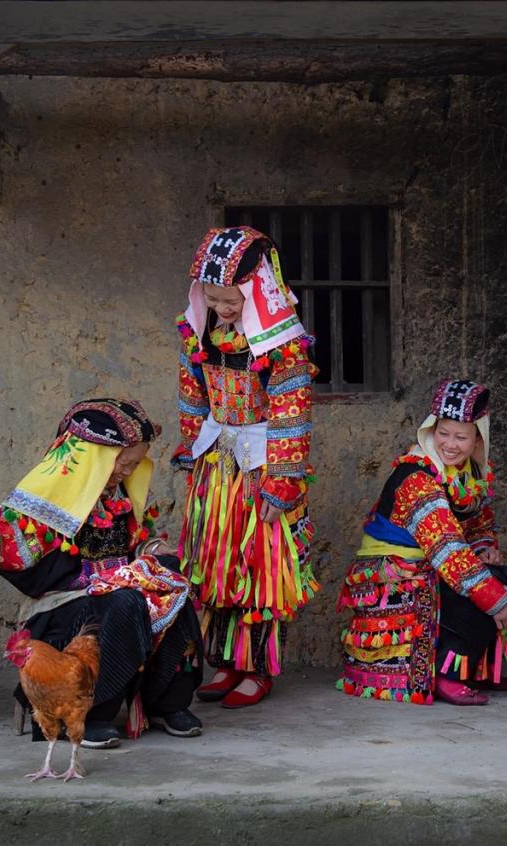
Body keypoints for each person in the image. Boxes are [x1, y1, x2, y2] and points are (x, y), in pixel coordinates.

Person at [0, 398, 203, 747]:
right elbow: (6, 543)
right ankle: (87, 714)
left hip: (119, 590)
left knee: (173, 586)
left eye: (134, 463)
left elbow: (135, 543)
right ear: (95, 456)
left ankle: (166, 702)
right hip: (68, 605)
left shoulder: (118, 493)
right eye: (123, 462)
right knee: (123, 605)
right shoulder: (51, 494)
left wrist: (152, 553)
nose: (128, 470)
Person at [173, 226, 318, 708]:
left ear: (258, 290)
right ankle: (226, 664)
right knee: (214, 563)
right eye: (212, 299)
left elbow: (292, 413)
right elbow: (192, 393)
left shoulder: (284, 345)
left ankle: (255, 668)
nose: (222, 309)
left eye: (231, 300)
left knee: (257, 566)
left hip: (261, 471)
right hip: (217, 466)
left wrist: (283, 482)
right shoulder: (200, 333)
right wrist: (190, 447)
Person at [337, 379, 507, 705]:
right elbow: (448, 550)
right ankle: (446, 675)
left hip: (432, 559)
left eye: (461, 437)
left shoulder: (469, 472)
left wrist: (484, 547)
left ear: (478, 438)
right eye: (443, 433)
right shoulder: (417, 477)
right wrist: (495, 599)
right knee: (476, 594)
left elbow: (479, 523)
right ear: (431, 429)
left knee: (506, 580)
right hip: (397, 571)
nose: (450, 444)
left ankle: (477, 671)